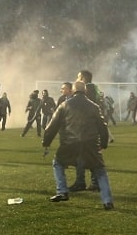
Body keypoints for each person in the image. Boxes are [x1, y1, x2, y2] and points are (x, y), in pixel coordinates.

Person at [42, 80, 114, 210]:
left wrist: (46, 142)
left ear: (73, 91)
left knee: (58, 163)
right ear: (85, 91)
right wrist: (103, 144)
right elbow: (103, 127)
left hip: (70, 143)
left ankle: (62, 191)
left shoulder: (64, 105)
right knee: (100, 170)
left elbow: (52, 126)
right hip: (90, 143)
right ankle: (107, 201)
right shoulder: (94, 106)